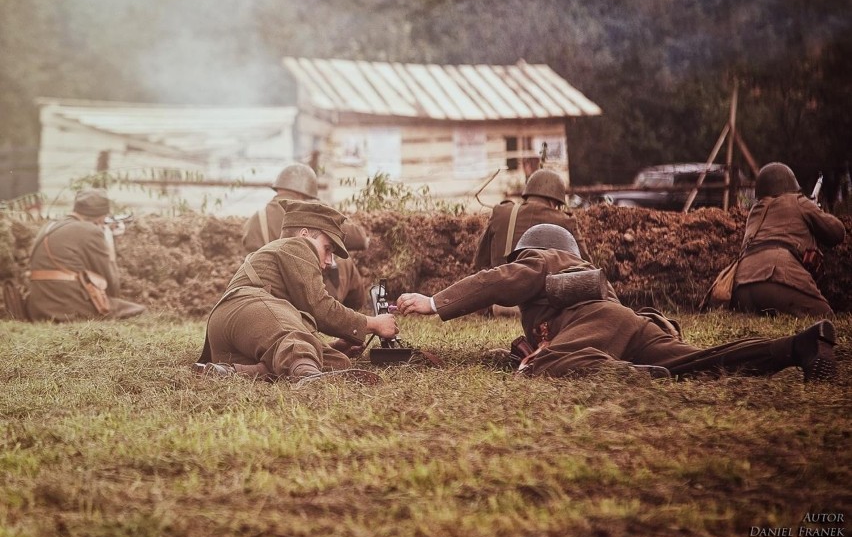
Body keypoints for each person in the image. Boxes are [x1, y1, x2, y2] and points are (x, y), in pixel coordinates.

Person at [397, 224, 838, 383]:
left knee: (539, 367)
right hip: (631, 325)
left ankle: (638, 376)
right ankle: (796, 347)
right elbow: (590, 324)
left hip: (600, 332)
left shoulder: (542, 258)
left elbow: (497, 280)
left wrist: (434, 301)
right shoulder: (587, 276)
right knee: (700, 363)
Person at [197, 199, 397, 383]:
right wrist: (373, 323)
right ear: (305, 235)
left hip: (240, 334)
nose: (329, 261)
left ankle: (229, 372)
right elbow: (320, 307)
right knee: (294, 344)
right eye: (327, 249)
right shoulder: (297, 246)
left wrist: (325, 347)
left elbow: (289, 315)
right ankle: (310, 380)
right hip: (244, 309)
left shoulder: (286, 253)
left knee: (337, 362)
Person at [242, 163, 370, 310]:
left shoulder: (255, 220)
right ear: (307, 191)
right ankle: (357, 313)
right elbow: (360, 239)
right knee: (345, 262)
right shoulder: (309, 212)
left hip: (267, 297)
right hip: (308, 294)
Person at [732, 162, 846, 317]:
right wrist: (817, 211)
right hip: (776, 275)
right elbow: (837, 233)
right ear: (791, 185)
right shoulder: (797, 201)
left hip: (741, 287)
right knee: (825, 317)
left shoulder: (755, 211)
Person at [26, 188, 146, 321]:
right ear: (101, 217)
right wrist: (109, 241)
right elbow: (111, 287)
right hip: (65, 308)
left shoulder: (50, 225)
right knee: (138, 311)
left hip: (37, 308)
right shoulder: (91, 231)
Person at [473, 168, 590, 271]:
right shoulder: (564, 221)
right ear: (553, 201)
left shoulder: (501, 213)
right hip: (544, 292)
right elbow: (586, 266)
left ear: (528, 193)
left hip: (500, 289)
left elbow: (480, 262)